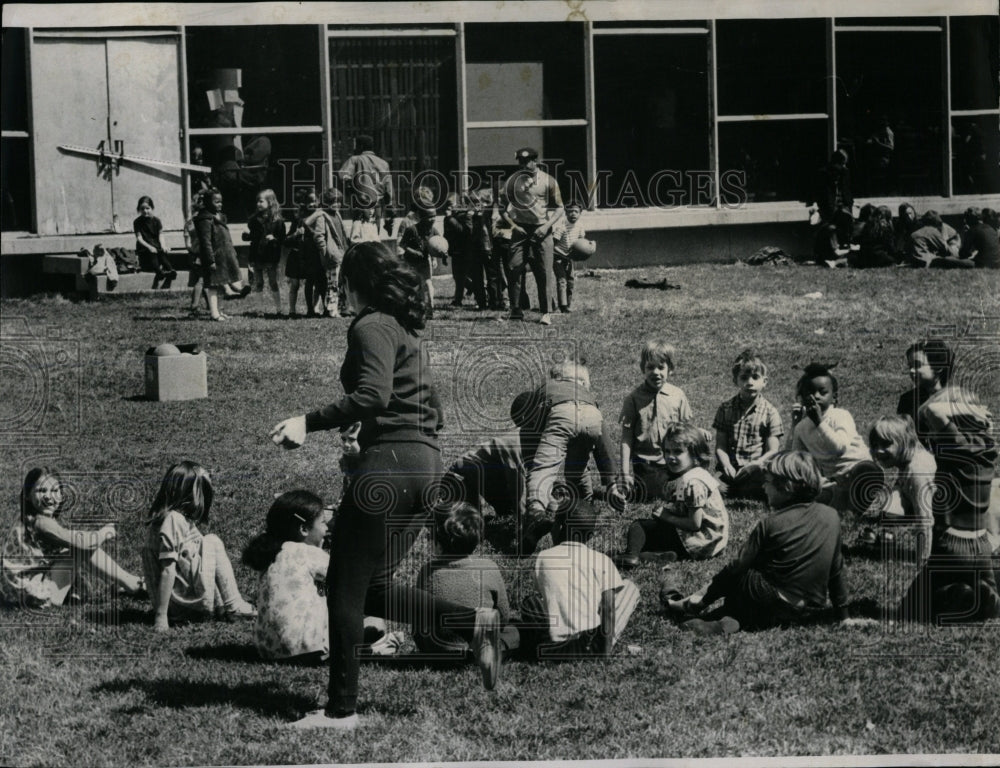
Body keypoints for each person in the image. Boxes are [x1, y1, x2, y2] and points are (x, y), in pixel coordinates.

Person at [270, 241, 504, 730]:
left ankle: (340, 711)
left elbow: (372, 395)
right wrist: (370, 443)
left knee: (342, 589)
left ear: (354, 283)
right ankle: (472, 622)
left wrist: (305, 422)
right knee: (373, 587)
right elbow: (429, 411)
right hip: (424, 467)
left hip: (390, 469)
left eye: (342, 282)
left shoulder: (371, 324)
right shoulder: (405, 331)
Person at [664, 452, 850, 634]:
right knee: (754, 603)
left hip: (763, 596)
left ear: (785, 487)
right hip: (799, 609)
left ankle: (693, 603)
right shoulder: (832, 516)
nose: (763, 487)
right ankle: (727, 622)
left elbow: (736, 567)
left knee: (744, 573)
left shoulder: (771, 523)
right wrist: (844, 616)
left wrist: (707, 597)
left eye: (767, 481)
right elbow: (836, 570)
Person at [0, 467, 145, 607]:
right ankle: (133, 584)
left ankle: (123, 583)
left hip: (16, 591)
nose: (48, 496)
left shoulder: (28, 517)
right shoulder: (41, 522)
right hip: (33, 595)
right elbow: (82, 544)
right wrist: (103, 533)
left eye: (55, 490)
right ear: (27, 495)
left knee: (75, 547)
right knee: (80, 548)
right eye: (41, 490)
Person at [141, 461, 256, 632]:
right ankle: (234, 605)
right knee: (212, 541)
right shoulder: (173, 520)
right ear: (187, 492)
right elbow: (167, 570)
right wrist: (161, 616)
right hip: (183, 603)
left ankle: (227, 604)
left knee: (205, 544)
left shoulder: (171, 519)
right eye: (203, 490)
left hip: (181, 604)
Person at [519, 498, 640, 659]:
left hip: (555, 636)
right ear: (590, 535)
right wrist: (605, 652)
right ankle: (598, 642)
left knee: (536, 600)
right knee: (629, 587)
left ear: (559, 526)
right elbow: (608, 608)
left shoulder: (543, 557)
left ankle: (555, 641)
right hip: (591, 639)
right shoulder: (601, 559)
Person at [414, 502, 519, 659]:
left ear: (438, 543)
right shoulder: (489, 567)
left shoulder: (427, 571)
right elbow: (503, 616)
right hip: (481, 641)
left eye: (429, 536)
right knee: (514, 628)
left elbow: (419, 619)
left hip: (439, 647)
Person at [617, 423, 729, 569]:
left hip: (698, 543)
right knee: (657, 531)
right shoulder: (699, 473)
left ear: (694, 454)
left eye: (677, 452)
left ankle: (631, 555)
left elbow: (695, 524)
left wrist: (666, 516)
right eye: (667, 451)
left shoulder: (692, 483)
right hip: (714, 543)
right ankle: (657, 555)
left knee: (639, 526)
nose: (670, 457)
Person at [243, 491, 333, 663]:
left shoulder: (271, 554)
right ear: (304, 529)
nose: (326, 529)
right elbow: (340, 574)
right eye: (323, 523)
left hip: (266, 649)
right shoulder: (305, 552)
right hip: (304, 648)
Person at [788, 363, 879, 515]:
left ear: (834, 397)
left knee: (866, 473)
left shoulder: (841, 416)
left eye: (822, 392)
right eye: (809, 392)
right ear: (801, 398)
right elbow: (795, 459)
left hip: (857, 469)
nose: (815, 396)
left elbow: (839, 448)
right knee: (806, 491)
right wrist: (794, 425)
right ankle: (846, 502)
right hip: (834, 480)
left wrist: (819, 422)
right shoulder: (801, 427)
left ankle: (855, 502)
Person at [619, 340, 693, 504]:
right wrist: (624, 472)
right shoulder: (633, 399)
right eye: (650, 367)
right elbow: (626, 438)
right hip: (647, 463)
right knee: (655, 494)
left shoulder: (678, 395)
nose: (656, 372)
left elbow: (687, 432)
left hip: (674, 460)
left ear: (670, 369)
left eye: (661, 367)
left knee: (687, 488)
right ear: (642, 369)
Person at [502, 147, 564, 325]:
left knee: (544, 271)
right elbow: (502, 208)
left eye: (526, 161)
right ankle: (516, 309)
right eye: (520, 162)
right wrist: (514, 225)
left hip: (541, 230)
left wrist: (546, 227)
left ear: (535, 161)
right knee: (514, 268)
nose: (523, 165)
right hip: (520, 229)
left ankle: (546, 312)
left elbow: (560, 208)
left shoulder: (548, 181)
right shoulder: (513, 182)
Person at [713, 348, 784, 498]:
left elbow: (773, 451)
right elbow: (720, 446)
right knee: (713, 487)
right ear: (735, 380)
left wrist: (755, 465)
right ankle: (732, 489)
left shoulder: (770, 412)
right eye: (744, 378)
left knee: (761, 488)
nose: (749, 382)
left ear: (764, 381)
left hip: (755, 470)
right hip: (729, 469)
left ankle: (745, 491)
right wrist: (726, 465)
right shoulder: (725, 408)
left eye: (755, 377)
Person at [863, 415, 935, 562]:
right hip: (925, 499)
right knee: (891, 505)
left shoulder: (918, 471)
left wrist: (922, 558)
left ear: (905, 443)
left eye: (885, 444)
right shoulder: (907, 461)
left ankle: (931, 551)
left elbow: (925, 519)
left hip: (952, 514)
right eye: (875, 445)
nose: (878, 451)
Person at [194, 188, 251, 322]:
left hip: (223, 257)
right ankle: (214, 313)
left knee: (219, 285)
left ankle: (218, 311)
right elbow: (205, 242)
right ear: (207, 202)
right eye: (216, 202)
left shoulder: (219, 216)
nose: (219, 204)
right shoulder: (205, 219)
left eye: (221, 202)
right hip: (213, 257)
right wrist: (209, 260)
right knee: (212, 286)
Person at [242, 188, 286, 316]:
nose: (258, 204)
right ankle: (260, 309)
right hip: (256, 255)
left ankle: (279, 309)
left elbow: (283, 239)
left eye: (261, 201)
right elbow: (250, 237)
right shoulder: (254, 220)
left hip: (270, 256)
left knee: (273, 282)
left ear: (270, 202)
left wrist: (274, 239)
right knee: (259, 282)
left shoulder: (278, 221)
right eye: (257, 202)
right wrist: (245, 235)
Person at [337, 134, 393, 232]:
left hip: (361, 206)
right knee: (374, 237)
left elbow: (343, 176)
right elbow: (389, 190)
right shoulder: (383, 163)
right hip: (377, 206)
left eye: (355, 145)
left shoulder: (355, 160)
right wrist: (390, 213)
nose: (354, 148)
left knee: (360, 237)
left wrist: (354, 190)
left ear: (361, 146)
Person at [398, 197, 440, 318]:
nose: (432, 219)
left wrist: (438, 257)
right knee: (412, 287)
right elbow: (403, 245)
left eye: (434, 216)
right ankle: (408, 310)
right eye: (430, 217)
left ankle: (430, 309)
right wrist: (413, 252)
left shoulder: (434, 231)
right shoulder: (412, 230)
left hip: (424, 262)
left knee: (427, 285)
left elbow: (438, 246)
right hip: (410, 262)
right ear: (422, 217)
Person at [813, 149, 854, 262]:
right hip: (829, 207)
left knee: (847, 221)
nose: (843, 167)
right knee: (830, 227)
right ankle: (833, 251)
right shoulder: (824, 174)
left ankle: (845, 247)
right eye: (842, 164)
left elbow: (847, 190)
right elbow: (822, 194)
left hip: (843, 205)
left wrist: (849, 203)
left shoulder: (845, 173)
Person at [284, 190, 319, 318]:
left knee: (313, 282)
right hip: (296, 257)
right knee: (295, 284)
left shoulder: (313, 220)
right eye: (294, 212)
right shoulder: (295, 224)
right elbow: (286, 241)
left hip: (309, 257)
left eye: (299, 212)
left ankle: (314, 308)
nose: (297, 215)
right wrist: (296, 234)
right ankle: (292, 310)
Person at [551, 198, 586, 313]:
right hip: (558, 257)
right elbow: (553, 246)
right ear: (565, 213)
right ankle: (563, 306)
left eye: (576, 211)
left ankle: (568, 304)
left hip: (569, 258)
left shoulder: (580, 226)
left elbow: (582, 242)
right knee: (562, 280)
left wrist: (586, 249)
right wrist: (564, 255)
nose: (573, 214)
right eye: (570, 211)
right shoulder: (562, 226)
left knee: (570, 281)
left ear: (580, 213)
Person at [134, 195, 176, 286]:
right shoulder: (137, 222)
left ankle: (170, 270)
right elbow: (139, 238)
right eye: (142, 209)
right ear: (139, 209)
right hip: (144, 246)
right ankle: (159, 272)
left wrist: (163, 245)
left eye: (147, 208)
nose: (145, 211)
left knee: (161, 251)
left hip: (155, 244)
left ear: (152, 208)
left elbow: (161, 235)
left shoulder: (157, 221)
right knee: (153, 252)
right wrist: (149, 247)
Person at [443, 194, 471, 308]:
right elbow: (446, 235)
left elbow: (463, 231)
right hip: (454, 250)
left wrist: (450, 218)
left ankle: (458, 299)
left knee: (461, 275)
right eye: (448, 205)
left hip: (465, 249)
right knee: (457, 276)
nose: (449, 208)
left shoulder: (464, 216)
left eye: (451, 205)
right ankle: (472, 290)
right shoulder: (447, 218)